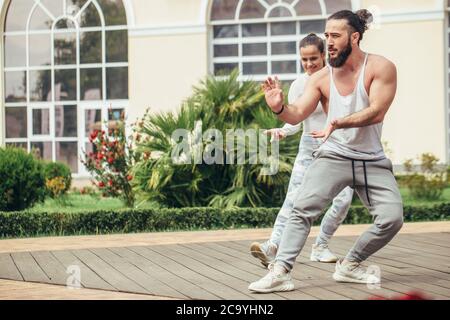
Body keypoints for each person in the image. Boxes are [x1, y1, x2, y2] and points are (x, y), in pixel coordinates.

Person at [249, 9, 403, 293]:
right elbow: (296, 114)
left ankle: (350, 264)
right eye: (326, 35)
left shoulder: (380, 67)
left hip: (372, 159)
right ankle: (280, 271)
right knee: (301, 210)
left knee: (393, 219)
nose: (328, 42)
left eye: (335, 36)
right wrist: (278, 108)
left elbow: (377, 111)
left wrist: (338, 122)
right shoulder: (320, 78)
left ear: (354, 37)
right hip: (334, 155)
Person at [250, 34, 354, 268]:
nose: (309, 64)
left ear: (324, 55)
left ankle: (320, 246)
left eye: (313, 59)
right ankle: (272, 246)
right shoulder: (299, 84)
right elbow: (296, 116)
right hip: (309, 147)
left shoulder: (337, 79)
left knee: (343, 200)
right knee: (293, 199)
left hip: (337, 147)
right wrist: (283, 131)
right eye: (304, 60)